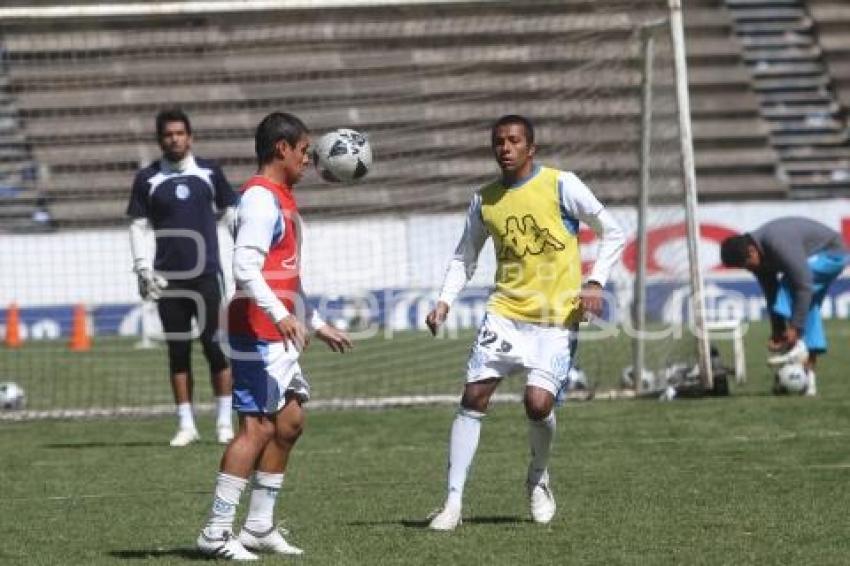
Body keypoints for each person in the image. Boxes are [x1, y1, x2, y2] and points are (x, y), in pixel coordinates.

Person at [425, 114, 625, 530]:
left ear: (530, 148)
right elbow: (466, 256)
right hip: (505, 315)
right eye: (499, 141)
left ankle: (538, 477)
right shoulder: (485, 200)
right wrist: (444, 302)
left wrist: (594, 282)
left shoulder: (561, 184)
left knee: (538, 405)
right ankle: (452, 503)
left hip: (556, 321)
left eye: (514, 140)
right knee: (473, 396)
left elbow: (614, 231)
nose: (505, 147)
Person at [196, 112, 352, 560]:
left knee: (289, 423)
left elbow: (288, 277)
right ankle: (215, 532)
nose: (310, 159)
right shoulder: (260, 200)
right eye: (305, 150)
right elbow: (245, 269)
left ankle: (259, 527)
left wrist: (318, 325)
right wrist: (280, 314)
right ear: (281, 149)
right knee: (257, 428)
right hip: (256, 332)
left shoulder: (282, 199)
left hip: (275, 331)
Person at [127, 108, 238, 446]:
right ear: (160, 139)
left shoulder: (209, 172)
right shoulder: (148, 179)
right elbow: (137, 225)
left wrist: (244, 259)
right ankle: (186, 424)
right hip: (168, 280)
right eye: (168, 134)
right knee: (178, 352)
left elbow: (232, 212)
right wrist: (142, 267)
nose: (174, 139)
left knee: (215, 348)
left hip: (206, 275)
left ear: (190, 136)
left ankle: (223, 422)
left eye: (179, 133)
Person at [719, 217, 849, 396]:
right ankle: (809, 381)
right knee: (807, 307)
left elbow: (804, 284)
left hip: (833, 254)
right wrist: (778, 330)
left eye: (747, 265)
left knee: (794, 284)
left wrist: (795, 327)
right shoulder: (756, 257)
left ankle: (797, 342)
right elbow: (771, 294)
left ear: (752, 251)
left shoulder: (777, 242)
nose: (748, 270)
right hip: (814, 262)